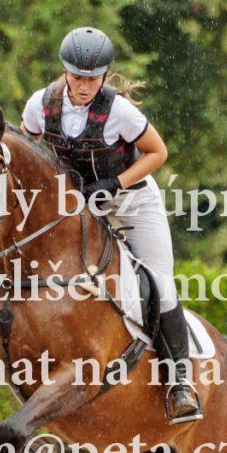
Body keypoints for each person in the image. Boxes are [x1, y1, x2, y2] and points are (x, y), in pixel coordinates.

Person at [21, 26, 201, 423]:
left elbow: (158, 152)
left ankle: (181, 384)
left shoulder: (119, 111)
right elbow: (27, 151)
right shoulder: (40, 105)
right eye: (77, 77)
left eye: (93, 78)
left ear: (104, 76)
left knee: (159, 281)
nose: (84, 86)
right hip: (81, 207)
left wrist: (114, 183)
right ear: (65, 71)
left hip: (132, 201)